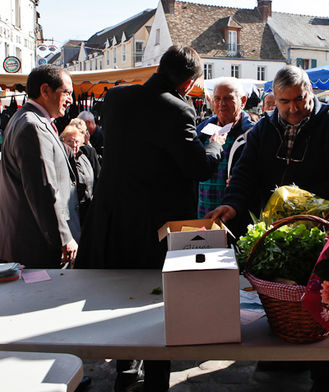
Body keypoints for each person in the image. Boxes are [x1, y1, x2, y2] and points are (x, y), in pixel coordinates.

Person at [208, 65, 329, 392]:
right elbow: (244, 174)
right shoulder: (264, 130)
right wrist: (234, 203)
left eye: (300, 100)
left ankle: (327, 372)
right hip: (274, 233)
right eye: (285, 102)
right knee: (279, 297)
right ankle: (283, 356)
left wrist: (304, 203)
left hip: (319, 232)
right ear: (273, 100)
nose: (293, 108)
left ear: (310, 93)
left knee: (320, 300)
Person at [78, 45, 224, 392]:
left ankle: (125, 370)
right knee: (159, 302)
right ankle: (157, 378)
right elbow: (197, 166)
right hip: (156, 226)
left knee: (121, 296)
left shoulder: (116, 98)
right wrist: (216, 143)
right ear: (189, 82)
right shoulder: (178, 109)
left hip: (114, 219)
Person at [0, 65, 80, 269]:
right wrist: (63, 237)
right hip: (39, 245)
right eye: (66, 92)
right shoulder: (33, 126)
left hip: (33, 242)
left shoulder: (28, 119)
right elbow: (42, 188)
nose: (70, 99)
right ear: (45, 90)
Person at [196, 78, 254, 220]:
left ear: (243, 101)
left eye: (228, 98)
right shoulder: (201, 131)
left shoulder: (252, 134)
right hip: (202, 210)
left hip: (235, 214)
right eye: (217, 99)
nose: (221, 104)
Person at [60, 125, 94, 227]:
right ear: (63, 142)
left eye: (76, 141)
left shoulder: (84, 158)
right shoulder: (61, 160)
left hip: (87, 210)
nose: (73, 144)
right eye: (69, 141)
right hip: (71, 214)